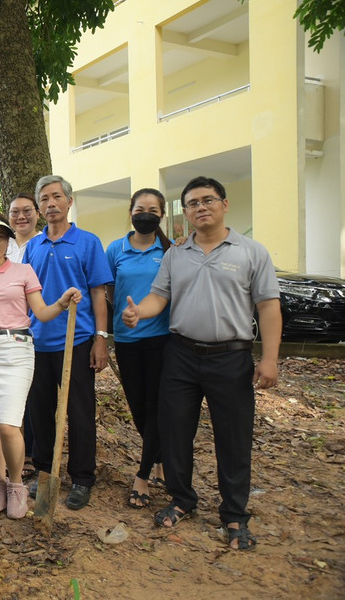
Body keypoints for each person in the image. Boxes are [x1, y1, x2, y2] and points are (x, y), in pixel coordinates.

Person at [122, 176, 281, 551]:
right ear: (185, 213)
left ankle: (235, 515)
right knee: (175, 430)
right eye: (192, 203)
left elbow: (269, 307)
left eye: (208, 200)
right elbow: (158, 298)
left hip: (231, 357)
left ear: (225, 204)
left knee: (234, 437)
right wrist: (137, 314)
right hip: (180, 355)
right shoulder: (176, 254)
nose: (200, 207)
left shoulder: (251, 252)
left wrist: (270, 359)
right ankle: (182, 499)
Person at [0, 213, 81, 519]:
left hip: (17, 350)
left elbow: (41, 311)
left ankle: (16, 485)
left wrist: (63, 301)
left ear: (8, 241)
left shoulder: (24, 271)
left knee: (8, 423)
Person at [23, 175, 112, 510]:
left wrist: (100, 339)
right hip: (38, 342)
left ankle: (82, 478)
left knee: (79, 411)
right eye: (44, 199)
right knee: (40, 411)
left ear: (69, 202)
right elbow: (25, 296)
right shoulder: (33, 246)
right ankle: (46, 472)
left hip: (76, 340)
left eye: (56, 197)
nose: (50, 204)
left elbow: (98, 295)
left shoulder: (88, 243)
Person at [105, 189, 172, 509]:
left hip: (161, 340)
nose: (146, 213)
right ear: (130, 212)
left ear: (161, 214)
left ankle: (143, 475)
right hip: (127, 341)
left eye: (153, 209)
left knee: (157, 408)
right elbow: (108, 294)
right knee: (139, 409)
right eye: (140, 208)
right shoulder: (115, 250)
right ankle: (159, 459)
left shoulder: (171, 250)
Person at [7, 192, 43, 480]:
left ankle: (30, 452)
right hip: (3, 331)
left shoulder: (42, 244)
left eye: (27, 211)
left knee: (31, 396)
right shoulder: (2, 245)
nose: (21, 217)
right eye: (15, 212)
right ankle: (7, 455)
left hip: (34, 328)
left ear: (37, 213)